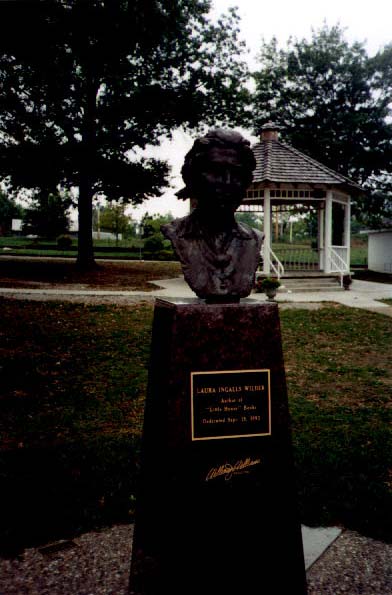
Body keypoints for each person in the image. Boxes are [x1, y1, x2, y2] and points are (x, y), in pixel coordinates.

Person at [162, 128, 263, 302]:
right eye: (216, 171)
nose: (228, 182)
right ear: (193, 178)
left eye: (237, 174)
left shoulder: (253, 239)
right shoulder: (178, 234)